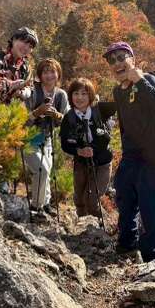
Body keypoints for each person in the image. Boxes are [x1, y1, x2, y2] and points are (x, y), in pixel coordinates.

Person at [103, 42, 155, 263]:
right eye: (112, 60)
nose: (117, 63)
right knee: (125, 200)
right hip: (132, 156)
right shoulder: (118, 91)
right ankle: (126, 247)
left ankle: (150, 261)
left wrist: (140, 81)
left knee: (151, 211)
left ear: (132, 60)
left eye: (121, 57)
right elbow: (125, 125)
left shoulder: (148, 80)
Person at [60, 78, 115, 219]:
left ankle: (99, 224)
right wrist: (79, 151)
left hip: (102, 162)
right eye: (76, 93)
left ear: (91, 95)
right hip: (81, 163)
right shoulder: (69, 118)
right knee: (79, 199)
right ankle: (83, 225)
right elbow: (65, 144)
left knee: (91, 199)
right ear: (71, 96)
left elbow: (122, 104)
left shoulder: (100, 109)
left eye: (84, 93)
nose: (79, 98)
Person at [24, 58, 69, 215]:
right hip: (27, 139)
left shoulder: (61, 95)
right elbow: (21, 119)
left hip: (47, 138)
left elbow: (66, 120)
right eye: (45, 72)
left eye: (52, 72)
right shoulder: (32, 92)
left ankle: (46, 203)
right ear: (40, 75)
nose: (49, 75)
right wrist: (38, 112)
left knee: (46, 171)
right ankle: (36, 206)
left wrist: (56, 115)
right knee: (41, 170)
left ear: (58, 74)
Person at [0, 27, 38, 104]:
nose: (26, 48)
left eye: (30, 47)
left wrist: (22, 93)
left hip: (10, 109)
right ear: (14, 39)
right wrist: (11, 85)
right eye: (24, 42)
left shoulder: (25, 67)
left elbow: (30, 89)